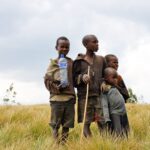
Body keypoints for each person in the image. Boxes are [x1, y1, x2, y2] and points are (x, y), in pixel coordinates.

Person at [73, 34, 106, 137]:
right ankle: (90, 145)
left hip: (98, 96)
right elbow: (73, 80)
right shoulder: (79, 61)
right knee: (86, 123)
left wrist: (104, 83)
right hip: (84, 96)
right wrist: (82, 78)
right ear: (86, 45)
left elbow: (105, 76)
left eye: (98, 42)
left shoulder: (101, 60)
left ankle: (105, 144)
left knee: (101, 121)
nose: (97, 44)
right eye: (94, 42)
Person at [44, 36, 75, 144]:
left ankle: (64, 144)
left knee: (67, 124)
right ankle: (55, 145)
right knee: (55, 125)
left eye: (67, 47)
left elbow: (75, 77)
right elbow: (47, 79)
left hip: (69, 98)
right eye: (62, 47)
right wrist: (56, 86)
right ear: (56, 47)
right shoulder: (53, 63)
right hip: (56, 99)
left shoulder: (71, 62)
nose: (65, 49)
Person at [101, 67, 130, 137]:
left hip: (123, 112)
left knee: (126, 130)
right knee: (117, 131)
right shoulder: (105, 91)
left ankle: (126, 144)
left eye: (116, 78)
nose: (116, 80)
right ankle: (117, 145)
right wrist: (107, 118)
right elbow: (104, 105)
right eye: (113, 78)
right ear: (106, 79)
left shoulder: (116, 87)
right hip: (114, 113)